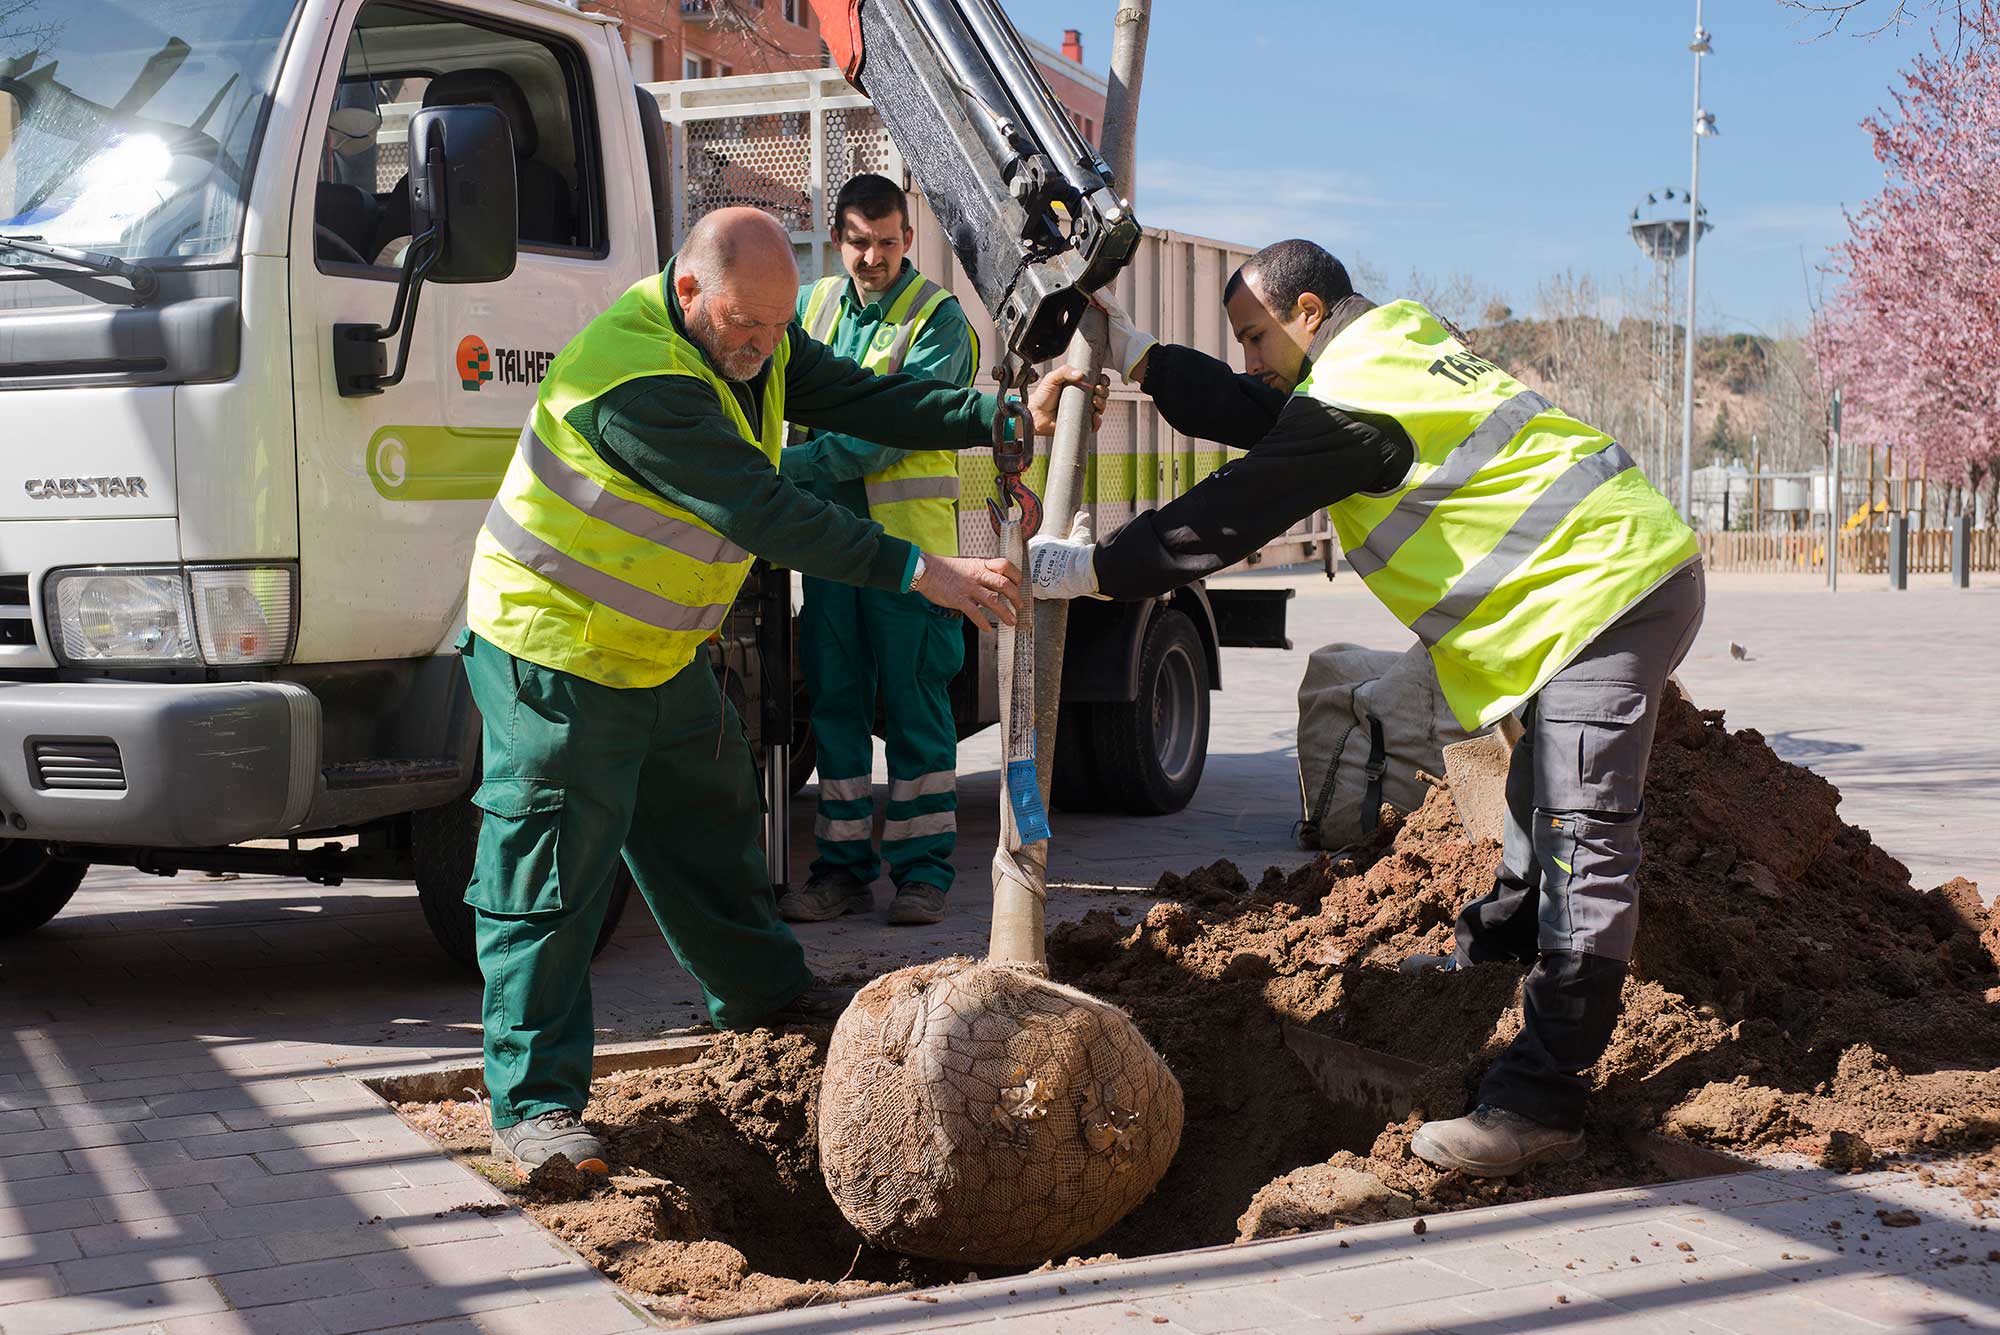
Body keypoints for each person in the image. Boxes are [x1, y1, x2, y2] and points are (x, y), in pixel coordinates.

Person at [1027, 238, 1705, 1178]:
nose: (1253, 357)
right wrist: (1141, 355)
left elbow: (1237, 505)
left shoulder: (1355, 399)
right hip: (1597, 582)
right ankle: (1494, 959)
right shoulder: (1390, 346)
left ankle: (1540, 1103)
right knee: (1533, 800)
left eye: (1258, 335)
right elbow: (1254, 410)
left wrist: (1095, 569)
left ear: (1309, 313)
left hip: (1607, 591)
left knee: (1584, 845)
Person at [461, 206, 1103, 1174]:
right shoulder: (632, 382)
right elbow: (763, 509)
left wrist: (998, 415)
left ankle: (763, 1000)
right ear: (687, 293)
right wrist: (921, 571)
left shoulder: (750, 336)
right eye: (743, 326)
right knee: (547, 885)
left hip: (659, 652)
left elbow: (858, 395)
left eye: (776, 325)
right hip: (555, 657)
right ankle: (535, 1109)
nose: (764, 347)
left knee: (711, 831)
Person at [778, 174, 976, 929]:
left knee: (917, 710)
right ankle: (841, 874)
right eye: (860, 242)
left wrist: (781, 473)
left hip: (913, 558)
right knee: (835, 705)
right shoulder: (812, 304)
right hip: (830, 552)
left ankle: (923, 876)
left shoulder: (938, 321)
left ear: (908, 240)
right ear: (838, 239)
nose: (873, 257)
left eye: (888, 242)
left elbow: (887, 432)